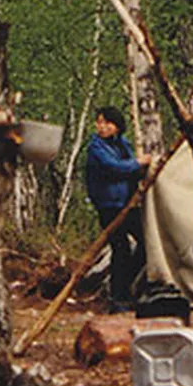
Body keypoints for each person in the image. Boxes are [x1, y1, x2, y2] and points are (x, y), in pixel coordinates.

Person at [84, 106, 151, 310]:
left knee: (147, 243)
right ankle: (118, 297)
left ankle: (125, 284)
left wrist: (142, 170)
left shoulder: (123, 145)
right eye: (99, 122)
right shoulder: (96, 149)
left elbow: (130, 170)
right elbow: (114, 168)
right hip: (109, 206)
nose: (102, 127)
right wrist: (138, 163)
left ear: (117, 126)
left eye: (107, 123)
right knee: (120, 249)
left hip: (129, 204)